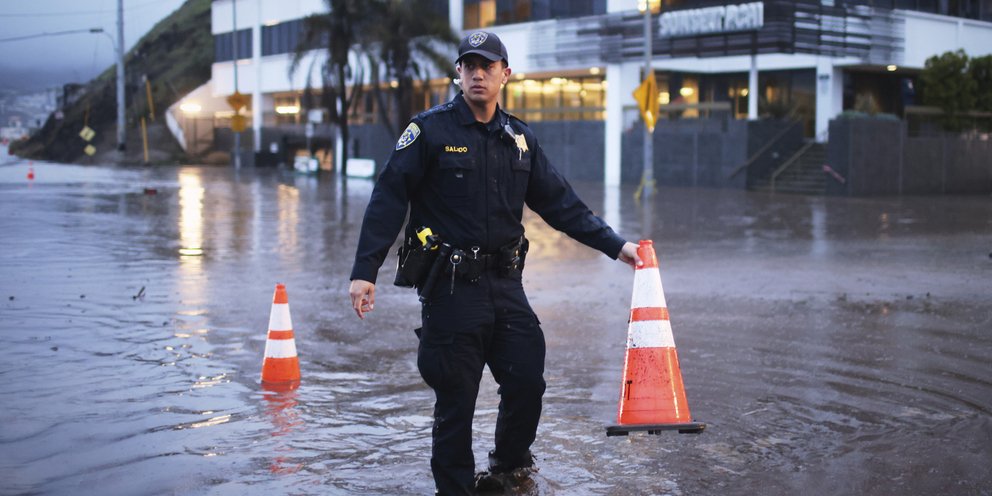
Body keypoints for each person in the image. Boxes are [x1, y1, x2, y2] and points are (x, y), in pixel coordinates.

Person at [348, 31, 641, 496]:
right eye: (469, 65)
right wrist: (366, 271)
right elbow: (388, 197)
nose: (478, 73)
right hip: (450, 291)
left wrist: (617, 246)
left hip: (506, 287)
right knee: (456, 400)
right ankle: (456, 489)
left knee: (528, 381)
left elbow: (562, 205)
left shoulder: (519, 139)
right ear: (458, 74)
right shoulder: (429, 132)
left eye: (488, 65)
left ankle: (508, 471)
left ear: (506, 74)